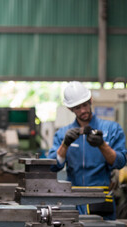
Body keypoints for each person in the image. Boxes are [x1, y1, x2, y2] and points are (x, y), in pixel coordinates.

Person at [48, 81, 127, 220]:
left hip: (101, 200)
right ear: (70, 109)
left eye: (85, 105)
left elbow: (120, 162)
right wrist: (65, 145)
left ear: (90, 100)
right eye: (77, 107)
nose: (83, 110)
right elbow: (53, 166)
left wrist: (102, 145)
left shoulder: (111, 129)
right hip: (73, 201)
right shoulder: (63, 134)